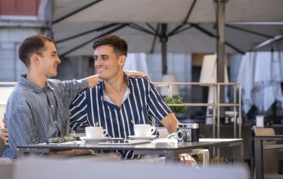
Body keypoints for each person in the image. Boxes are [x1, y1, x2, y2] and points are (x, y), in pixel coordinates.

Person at [2, 34, 147, 159]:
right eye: (53, 55)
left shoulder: (56, 87)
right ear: (36, 59)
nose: (59, 60)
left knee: (109, 159)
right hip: (29, 172)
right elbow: (30, 155)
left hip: (60, 164)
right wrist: (77, 151)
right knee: (106, 160)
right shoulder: (20, 100)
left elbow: (84, 83)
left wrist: (122, 72)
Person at [69, 34, 194, 164]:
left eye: (104, 58)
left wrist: (181, 151)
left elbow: (171, 123)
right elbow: (65, 126)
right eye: (96, 58)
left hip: (146, 164)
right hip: (108, 168)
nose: (98, 63)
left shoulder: (143, 86)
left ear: (121, 60)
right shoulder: (87, 96)